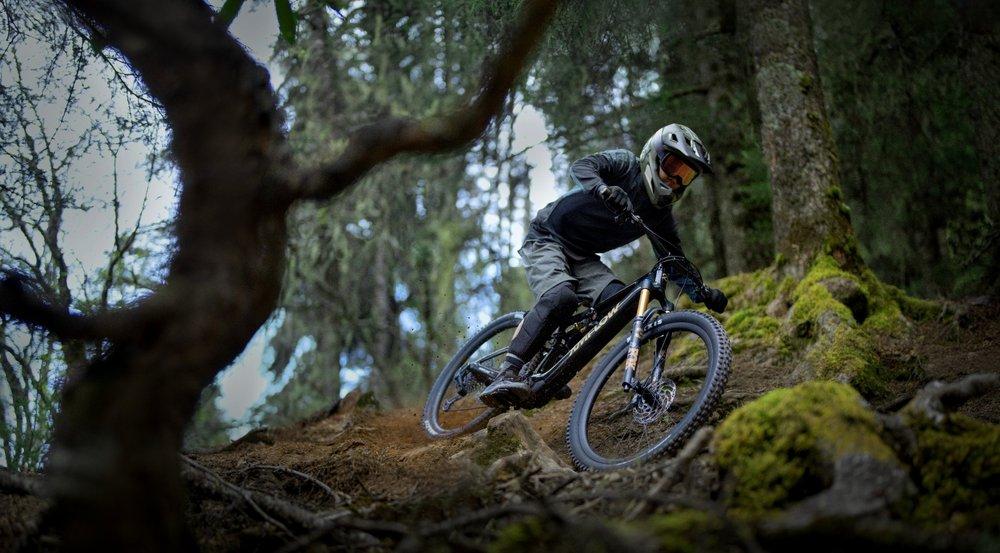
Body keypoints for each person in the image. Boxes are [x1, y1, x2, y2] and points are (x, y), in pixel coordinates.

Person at [478, 123, 729, 407]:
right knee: (561, 296)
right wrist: (603, 189)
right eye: (673, 167)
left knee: (618, 305)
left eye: (686, 175)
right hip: (548, 236)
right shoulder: (625, 165)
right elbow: (582, 166)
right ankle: (507, 372)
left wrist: (701, 292)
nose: (676, 179)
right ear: (654, 156)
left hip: (583, 256)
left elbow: (674, 260)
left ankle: (553, 368)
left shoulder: (659, 214)